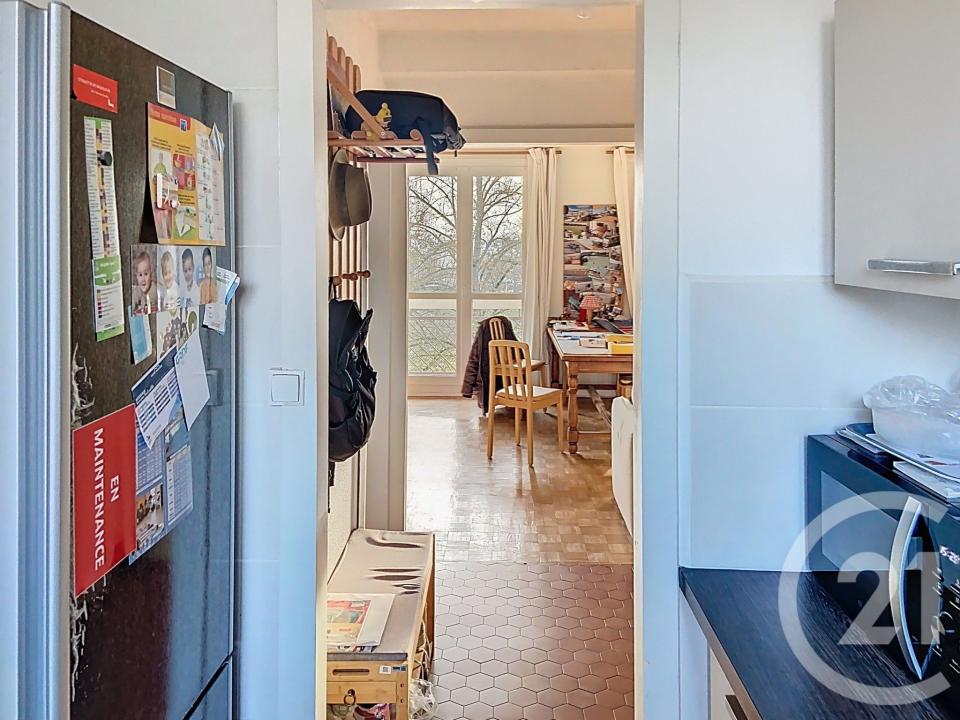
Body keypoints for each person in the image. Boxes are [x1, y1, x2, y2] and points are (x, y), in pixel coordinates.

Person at [131, 250, 157, 315]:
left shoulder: (154, 290)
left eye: (146, 274)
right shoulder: (136, 291)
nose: (143, 279)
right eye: (140, 275)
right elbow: (133, 307)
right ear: (136, 276)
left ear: (151, 274)